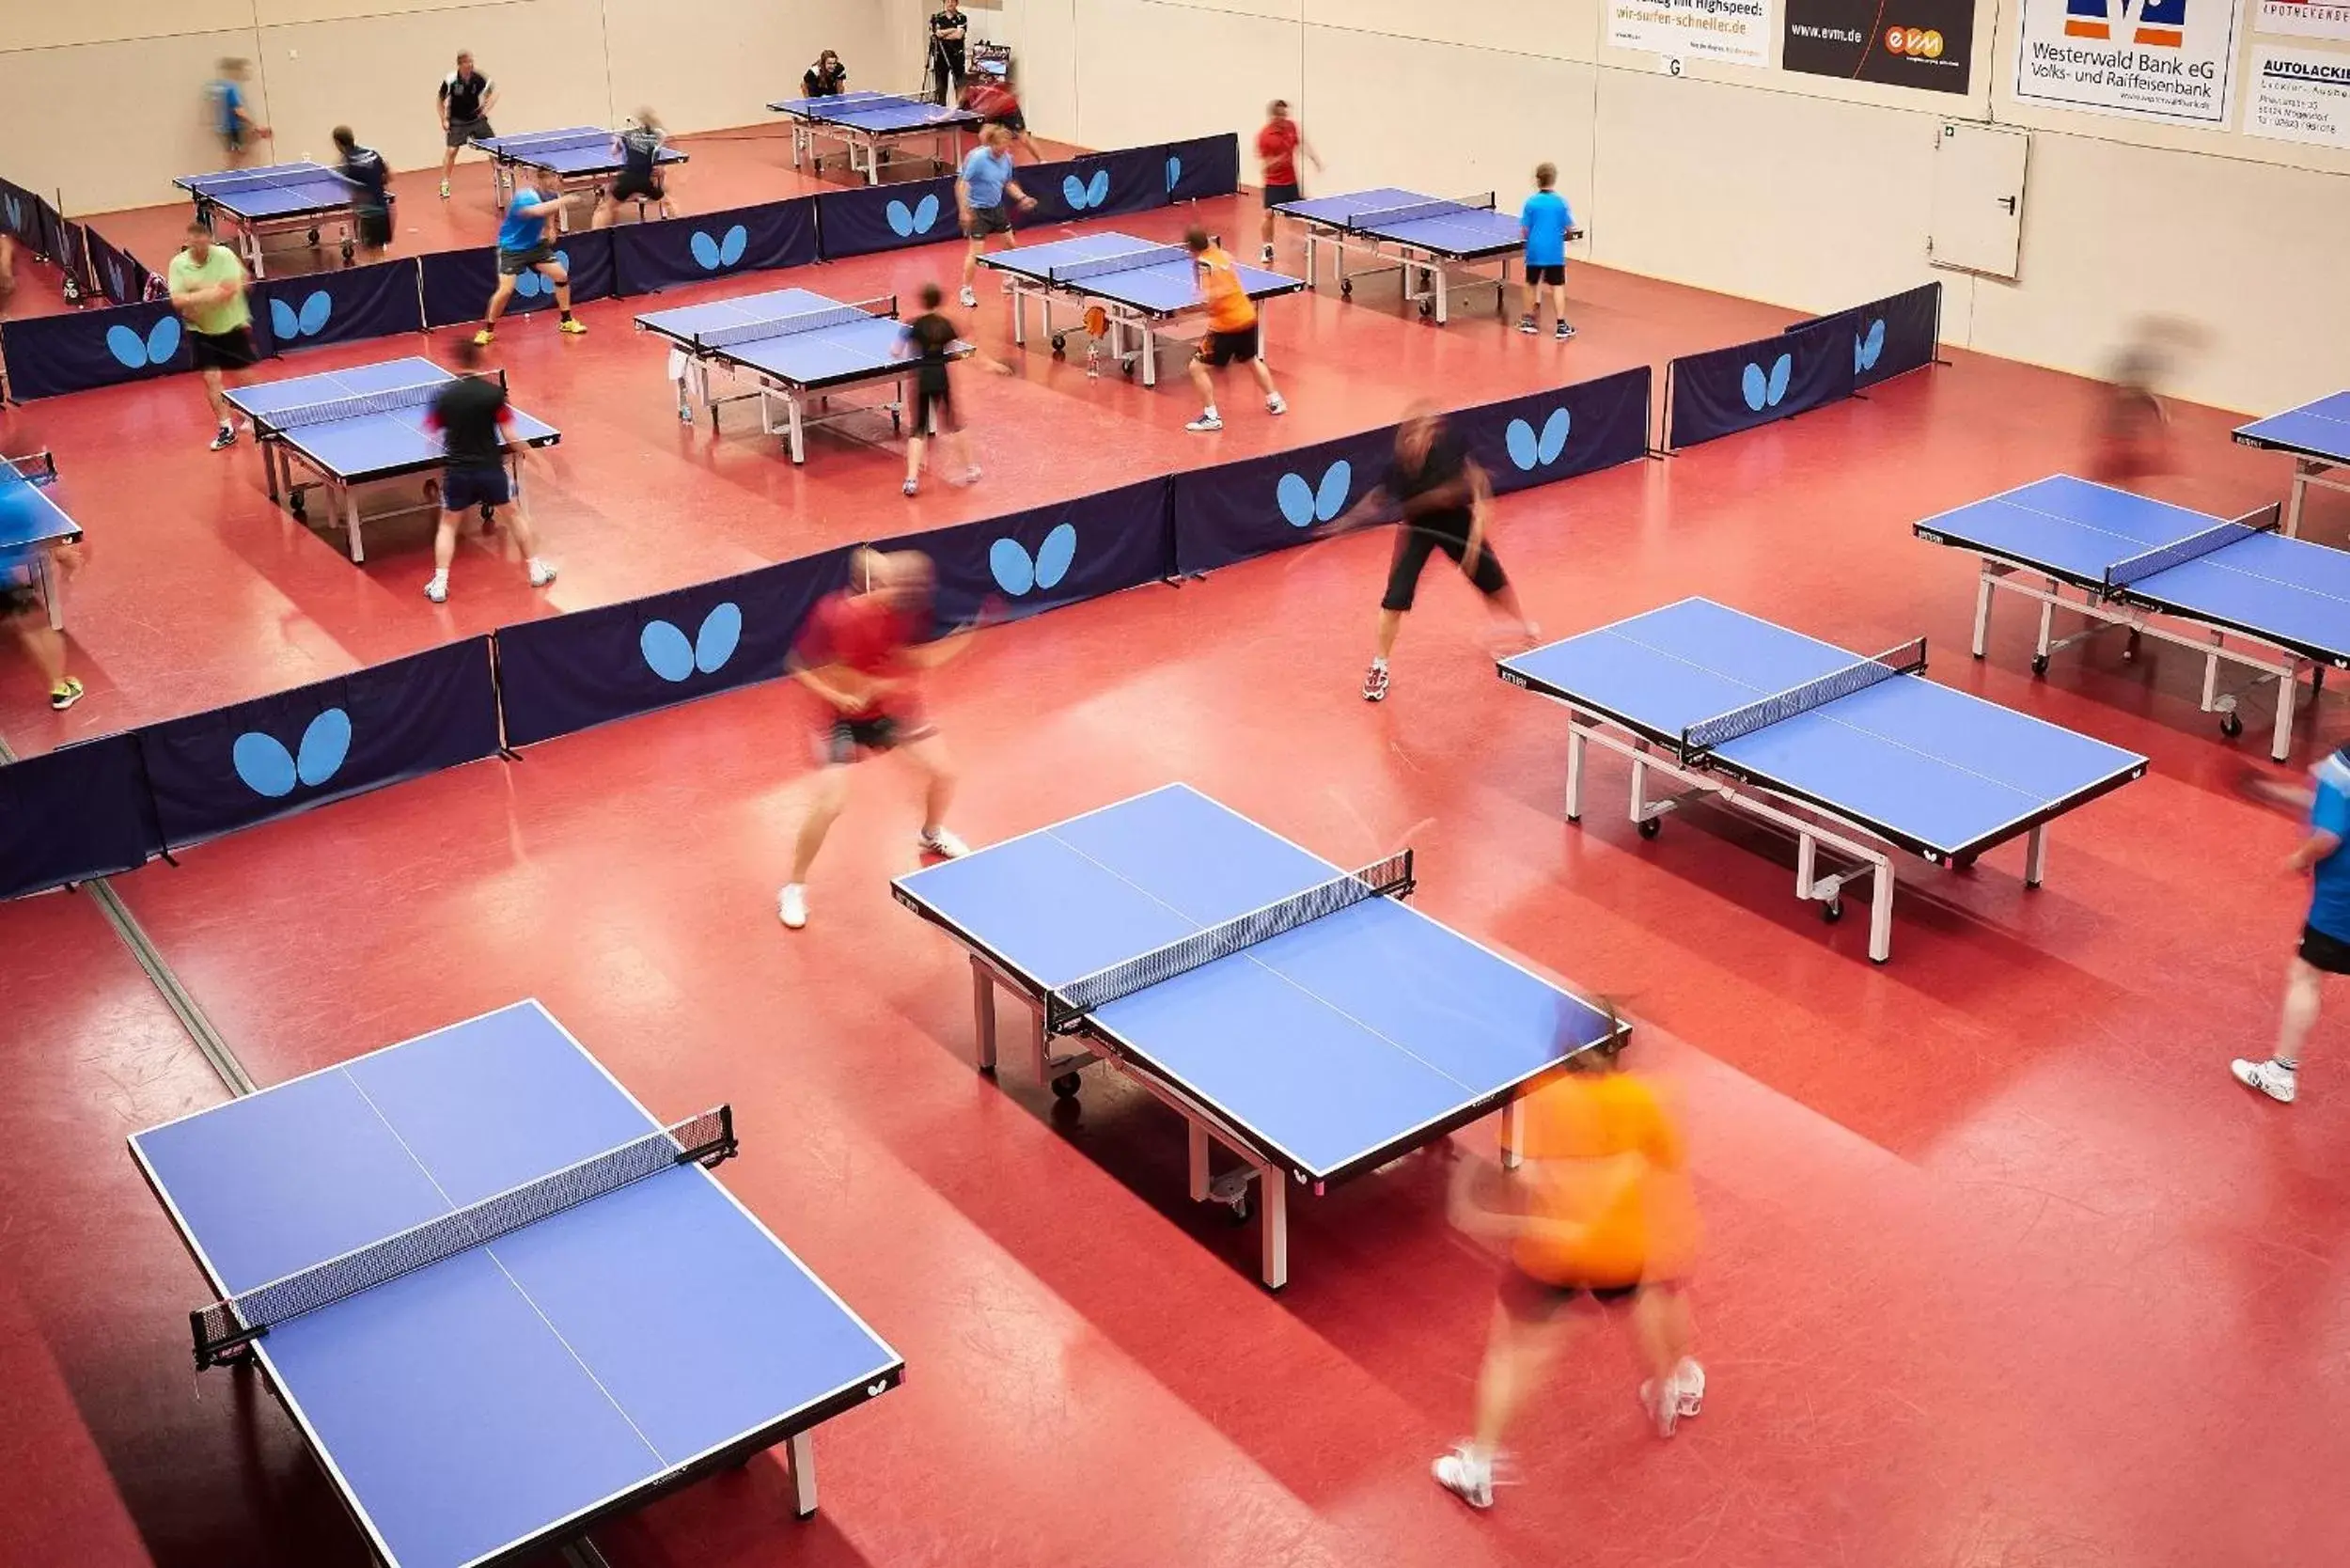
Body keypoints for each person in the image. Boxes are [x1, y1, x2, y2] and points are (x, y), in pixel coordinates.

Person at [1433, 1009, 1705, 1510]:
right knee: (1654, 1297)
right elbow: (1659, 1166)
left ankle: (1480, 1467)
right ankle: (1669, 1389)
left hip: (1551, 1250)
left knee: (1513, 1353)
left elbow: (1527, 1174)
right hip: (1618, 1244)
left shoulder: (1542, 1092)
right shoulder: (1641, 1100)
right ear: (1616, 1054)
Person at [777, 548, 970, 931]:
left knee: (944, 772)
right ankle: (792, 887)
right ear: (870, 583)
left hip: (884, 712)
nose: (901, 590)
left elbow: (908, 659)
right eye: (891, 582)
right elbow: (797, 666)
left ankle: (931, 834)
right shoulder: (834, 615)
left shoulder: (901, 612)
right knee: (831, 804)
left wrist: (960, 642)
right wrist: (838, 696)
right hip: (838, 719)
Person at [1333, 404, 1536, 701]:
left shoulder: (1447, 451)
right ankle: (1379, 665)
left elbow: (1476, 481)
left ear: (1430, 437)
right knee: (1396, 595)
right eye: (1409, 436)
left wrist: (1479, 523)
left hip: (1456, 522)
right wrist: (1347, 522)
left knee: (1491, 578)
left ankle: (1524, 629)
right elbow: (1378, 499)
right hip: (1419, 528)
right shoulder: (1399, 466)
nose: (1413, 442)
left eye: (1422, 433)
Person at [2231, 742, 2350, 1105]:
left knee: (2307, 974)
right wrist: (2275, 792)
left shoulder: (2342, 769)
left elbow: (2330, 835)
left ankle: (2280, 1073)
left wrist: (2299, 858)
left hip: (2341, 905)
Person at [418, 336, 555, 604]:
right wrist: (537, 458)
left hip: (458, 471)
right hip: (489, 469)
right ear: (478, 360)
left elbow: (432, 437)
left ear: (456, 361)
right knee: (514, 516)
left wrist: (434, 472)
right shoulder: (493, 395)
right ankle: (536, 570)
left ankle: (440, 584)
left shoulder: (445, 397)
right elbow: (510, 435)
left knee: (448, 525)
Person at [167, 222, 260, 452]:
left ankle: (257, 417)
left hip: (231, 324)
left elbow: (228, 293)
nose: (199, 246)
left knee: (242, 375)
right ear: (188, 242)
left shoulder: (225, 255)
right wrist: (210, 294)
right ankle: (226, 428)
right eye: (194, 243)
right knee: (211, 378)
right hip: (200, 328)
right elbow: (177, 301)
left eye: (203, 242)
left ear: (209, 240)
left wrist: (193, 298)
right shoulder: (179, 264)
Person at [1183, 228, 1286, 434]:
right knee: (1251, 360)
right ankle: (1276, 401)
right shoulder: (1219, 254)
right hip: (1246, 316)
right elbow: (1225, 263)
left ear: (1191, 248)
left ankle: (1211, 417)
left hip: (1226, 325)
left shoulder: (1204, 264)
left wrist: (1191, 307)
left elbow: (1212, 297)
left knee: (1196, 368)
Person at [0, 471, 85, 712]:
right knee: (37, 627)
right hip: (2, 579)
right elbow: (44, 540)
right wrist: (63, 556)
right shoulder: (14, 501)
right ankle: (59, 687)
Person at [476, 168, 584, 345]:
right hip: (512, 248)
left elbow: (548, 211)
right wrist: (566, 200)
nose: (557, 181)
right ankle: (487, 330)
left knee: (561, 276)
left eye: (557, 177)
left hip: (535, 246)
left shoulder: (550, 195)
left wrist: (551, 228)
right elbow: (536, 211)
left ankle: (566, 321)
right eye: (553, 178)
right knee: (505, 291)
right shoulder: (524, 197)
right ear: (543, 180)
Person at [897, 284, 982, 497]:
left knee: (918, 429)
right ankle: (971, 468)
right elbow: (957, 347)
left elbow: (896, 351)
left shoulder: (914, 326)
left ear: (922, 301)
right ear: (939, 301)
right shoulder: (945, 325)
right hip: (941, 377)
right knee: (954, 423)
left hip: (922, 378)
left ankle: (911, 480)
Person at [955, 126, 1035, 308]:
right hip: (977, 210)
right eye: (1002, 145)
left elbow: (1007, 183)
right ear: (992, 144)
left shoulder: (1006, 159)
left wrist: (1022, 197)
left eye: (1008, 145)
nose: (1005, 149)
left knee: (1011, 246)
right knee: (976, 253)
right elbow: (962, 184)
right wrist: (964, 210)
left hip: (996, 208)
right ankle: (966, 291)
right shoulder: (977, 159)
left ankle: (1008, 281)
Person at [1255, 100, 1319, 262]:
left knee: (1300, 213)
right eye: (1281, 115)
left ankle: (1306, 242)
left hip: (1291, 181)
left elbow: (1301, 144)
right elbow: (1265, 167)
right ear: (1274, 116)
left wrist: (1315, 159)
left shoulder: (1291, 127)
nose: (1284, 118)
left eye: (1285, 114)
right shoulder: (1265, 136)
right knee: (1269, 215)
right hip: (1274, 183)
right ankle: (1267, 248)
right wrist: (1278, 160)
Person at [1518, 163, 1575, 341]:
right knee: (1557, 287)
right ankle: (1561, 326)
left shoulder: (1531, 203)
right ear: (1554, 179)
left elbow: (1525, 230)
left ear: (1537, 180)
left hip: (1535, 250)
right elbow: (1570, 227)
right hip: (1554, 252)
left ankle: (1528, 321)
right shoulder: (1560, 203)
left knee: (1531, 284)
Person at [594, 111, 675, 227]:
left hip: (627, 180)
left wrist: (616, 141)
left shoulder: (627, 136)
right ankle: (682, 225)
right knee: (668, 202)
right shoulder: (655, 137)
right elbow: (662, 142)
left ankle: (597, 233)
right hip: (644, 182)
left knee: (606, 207)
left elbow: (614, 152)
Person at [436, 52, 498, 199]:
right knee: (451, 151)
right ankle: (444, 183)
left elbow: (493, 93)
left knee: (493, 148)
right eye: (467, 62)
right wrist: (444, 119)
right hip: (457, 120)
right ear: (460, 64)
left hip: (476, 119)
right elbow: (439, 100)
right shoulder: (451, 79)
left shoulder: (478, 78)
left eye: (471, 62)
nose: (470, 65)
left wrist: (485, 108)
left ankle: (499, 175)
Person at [331, 126, 394, 260]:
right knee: (379, 253)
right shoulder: (372, 153)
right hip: (383, 210)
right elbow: (389, 176)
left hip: (367, 214)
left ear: (337, 143)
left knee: (368, 256)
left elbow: (347, 191)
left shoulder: (346, 163)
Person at [961, 71, 1039, 162]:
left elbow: (991, 110)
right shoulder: (969, 96)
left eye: (963, 92)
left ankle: (1042, 161)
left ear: (968, 89)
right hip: (996, 112)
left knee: (1023, 137)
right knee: (983, 135)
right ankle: (989, 161)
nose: (962, 95)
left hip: (1009, 109)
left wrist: (986, 117)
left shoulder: (984, 94)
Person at [209, 59, 271, 166]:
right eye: (243, 70)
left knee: (238, 156)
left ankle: (232, 179)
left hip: (224, 129)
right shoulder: (232, 88)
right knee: (238, 159)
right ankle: (232, 180)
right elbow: (238, 111)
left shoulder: (218, 86)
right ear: (235, 71)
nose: (245, 73)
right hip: (233, 130)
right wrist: (256, 127)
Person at [927, 0, 969, 104]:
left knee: (959, 86)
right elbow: (938, 34)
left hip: (957, 57)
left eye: (952, 1)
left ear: (957, 3)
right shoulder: (937, 17)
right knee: (941, 88)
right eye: (948, 1)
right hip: (941, 56)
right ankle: (940, 112)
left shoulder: (962, 18)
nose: (950, 3)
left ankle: (962, 113)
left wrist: (944, 34)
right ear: (944, 3)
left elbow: (959, 35)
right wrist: (952, 30)